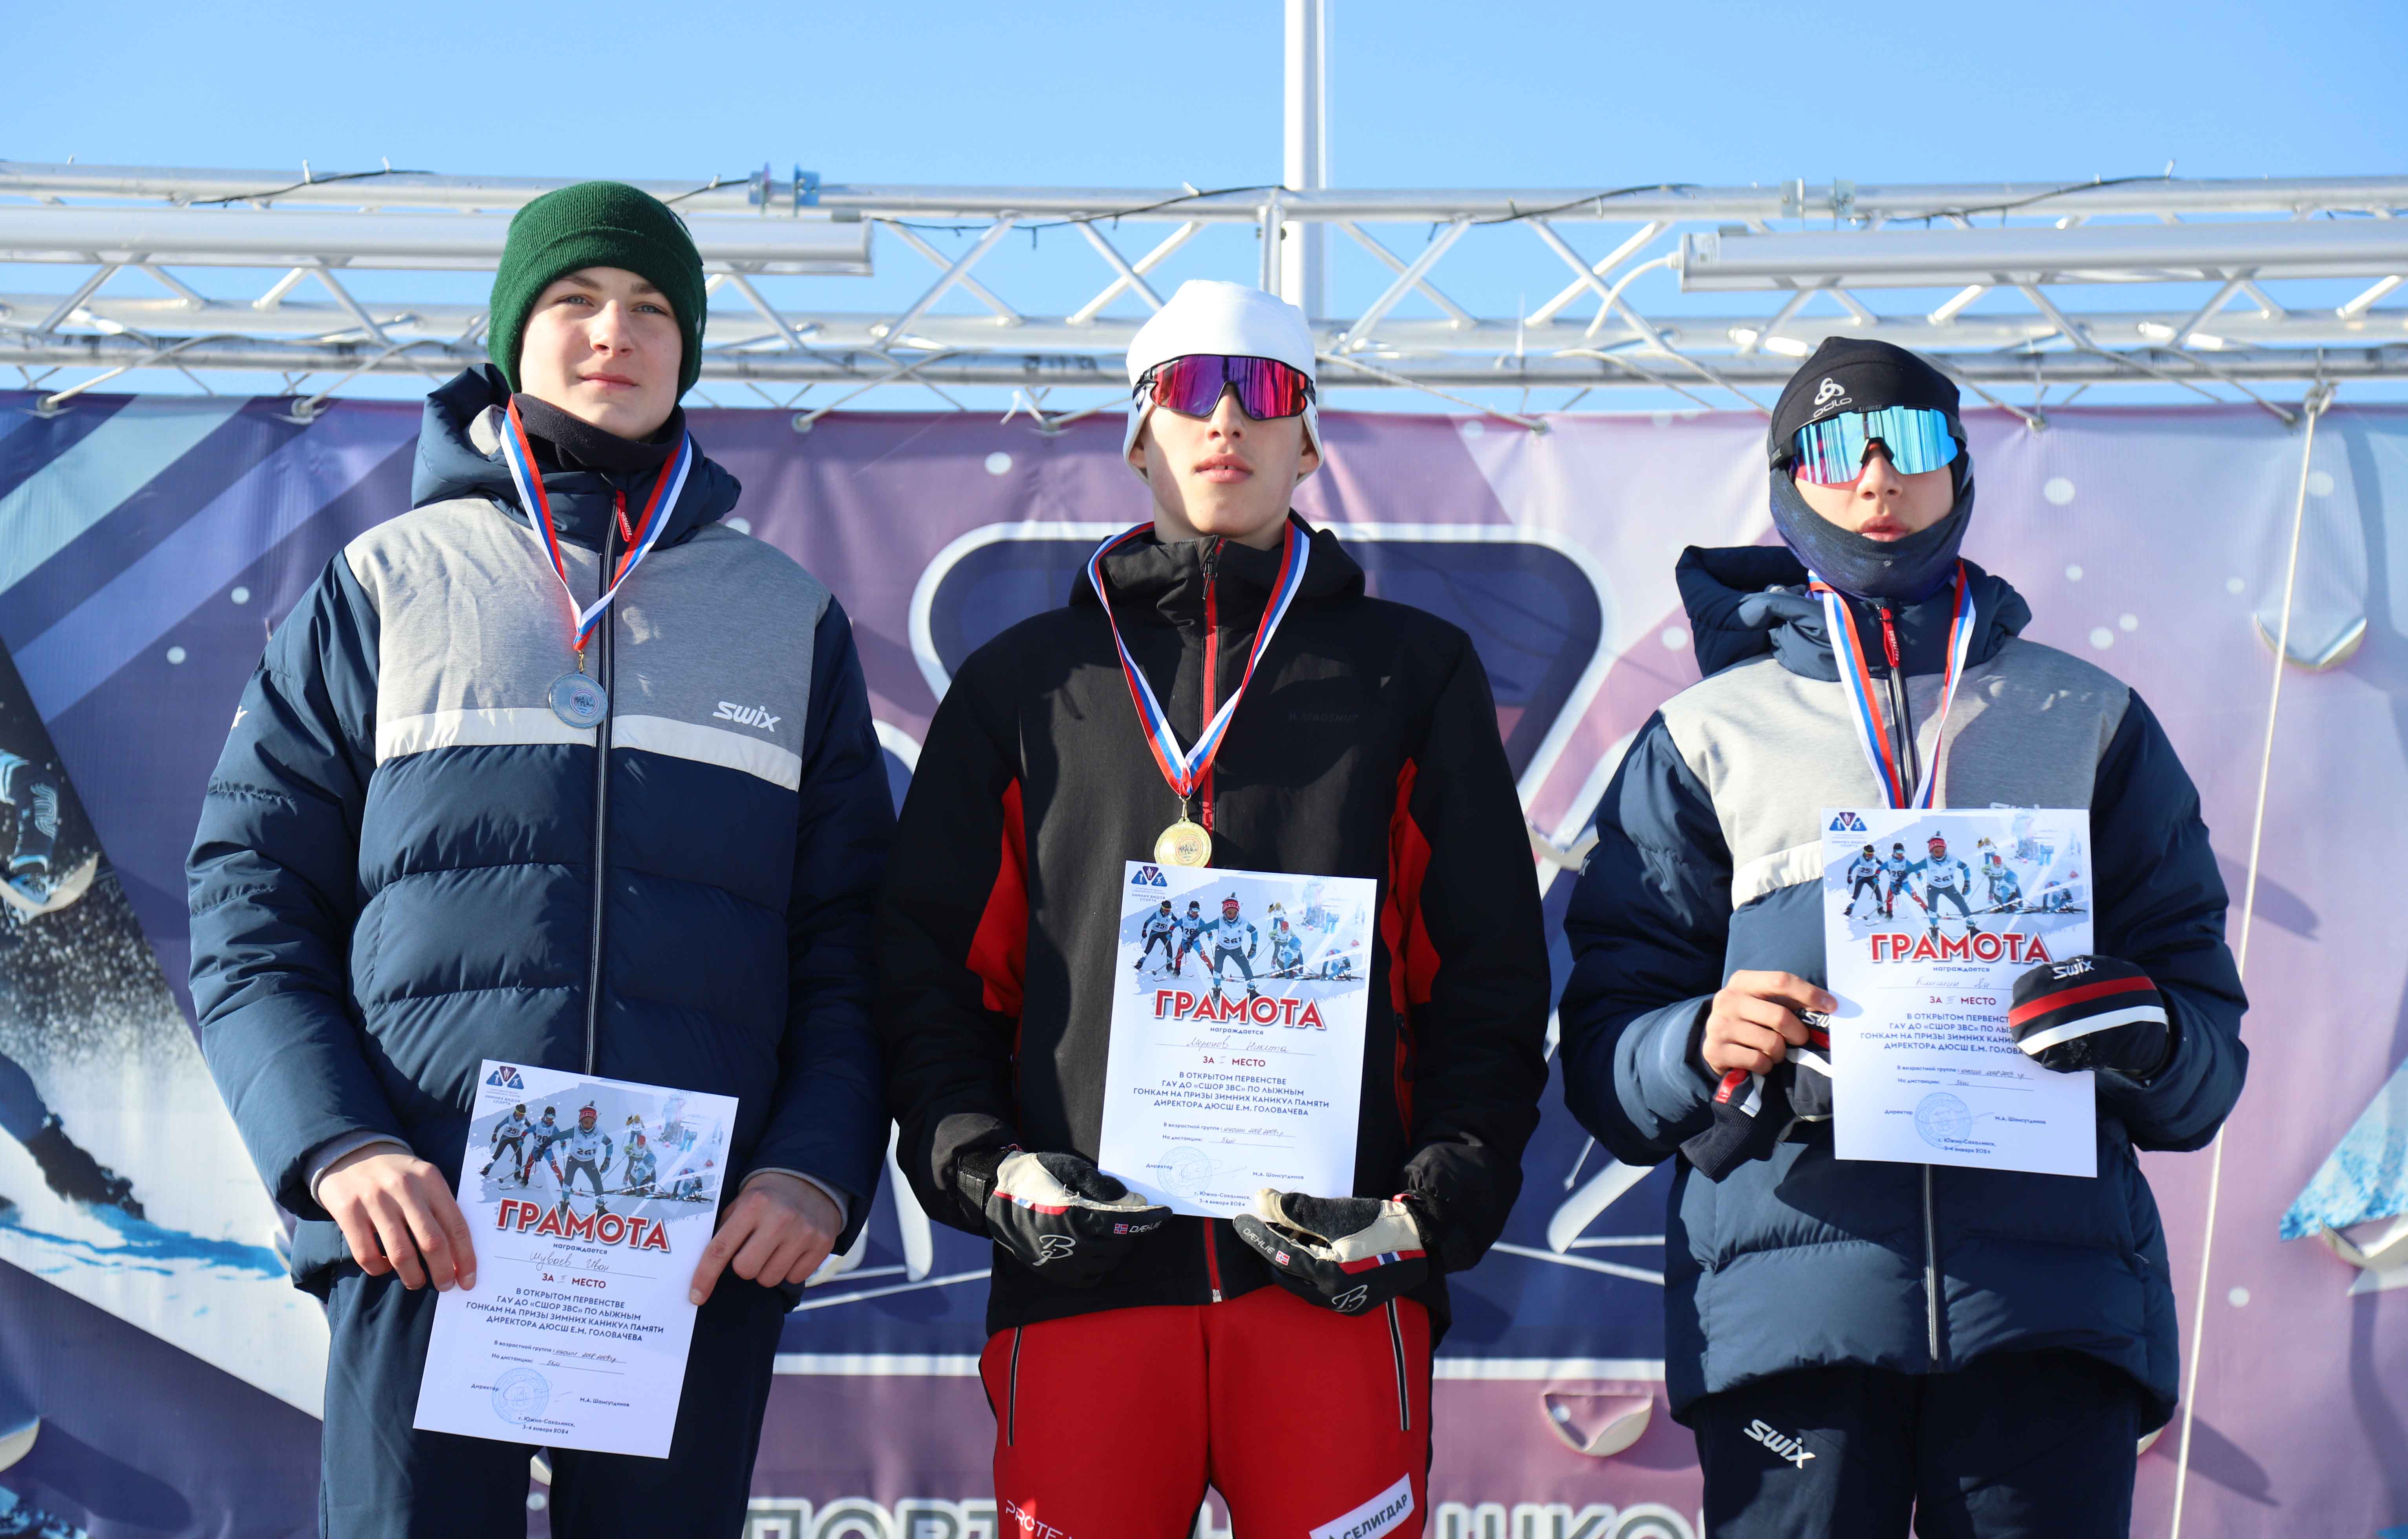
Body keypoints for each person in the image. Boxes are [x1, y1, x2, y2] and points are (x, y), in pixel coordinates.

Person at [186, 181, 891, 1539]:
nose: (610, 333)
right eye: (572, 302)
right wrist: (337, 1145)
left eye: (647, 310)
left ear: (688, 348)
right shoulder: (386, 583)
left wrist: (811, 1168)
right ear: (513, 335)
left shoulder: (786, 615)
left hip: (686, 1248)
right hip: (424, 1223)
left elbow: (853, 938)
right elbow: (250, 900)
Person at [877, 279, 1549, 1539]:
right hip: (1084, 1278)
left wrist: (1421, 1210)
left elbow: (1485, 974)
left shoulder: (1410, 669)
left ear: (1311, 437)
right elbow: (938, 972)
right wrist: (990, 1168)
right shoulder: (1030, 684)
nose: (1227, 419)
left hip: (1335, 1280)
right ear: (1137, 433)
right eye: (1190, 388)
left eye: (1268, 391)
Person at [1557, 337, 2247, 1538]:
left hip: (2046, 1312)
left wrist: (2148, 1030)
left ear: (1959, 469)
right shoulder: (1704, 734)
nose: (1877, 475)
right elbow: (1606, 1051)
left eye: (1911, 441)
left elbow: (2201, 1059)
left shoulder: (2086, 716)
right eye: (1835, 446)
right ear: (1788, 480)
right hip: (1790, 1315)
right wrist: (1692, 1039)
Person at [1917, 833, 1980, 937]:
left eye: (1943, 851)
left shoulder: (1952, 859)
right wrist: (1900, 881)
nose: (1940, 854)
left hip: (1949, 887)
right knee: (1933, 908)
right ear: (1931, 851)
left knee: (1962, 904)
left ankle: (1971, 927)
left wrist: (1967, 883)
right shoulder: (1927, 861)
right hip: (1933, 888)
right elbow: (1910, 869)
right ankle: (1934, 928)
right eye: (1936, 852)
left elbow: (1965, 868)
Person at [1207, 892, 1261, 1002]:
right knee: (1218, 968)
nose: (1232, 916)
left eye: (1235, 913)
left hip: (1236, 949)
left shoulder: (1243, 922)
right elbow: (1202, 928)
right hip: (1221, 948)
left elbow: (1254, 931)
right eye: (1229, 913)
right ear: (1224, 912)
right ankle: (1217, 991)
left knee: (1246, 968)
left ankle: (1252, 992)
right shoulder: (1220, 921)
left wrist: (1254, 947)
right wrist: (1190, 940)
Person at [480, 1104, 531, 1183]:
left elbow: (530, 1128)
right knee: (497, 1155)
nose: (522, 1116)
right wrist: (494, 1136)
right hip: (506, 1138)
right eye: (520, 1114)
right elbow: (498, 1126)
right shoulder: (510, 1117)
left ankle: (517, 1174)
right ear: (516, 1112)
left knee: (519, 1156)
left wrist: (536, 1134)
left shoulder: (524, 1119)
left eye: (523, 1114)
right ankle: (486, 1171)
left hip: (516, 1139)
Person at [1136, 899, 1179, 973]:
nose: (1168, 912)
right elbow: (1147, 922)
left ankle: (1169, 966)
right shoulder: (1157, 914)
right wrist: (1144, 931)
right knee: (1148, 950)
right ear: (1162, 909)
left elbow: (1177, 922)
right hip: (1155, 933)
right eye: (1166, 910)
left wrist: (1183, 928)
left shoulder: (1171, 914)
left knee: (1169, 948)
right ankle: (1139, 965)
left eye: (1169, 910)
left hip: (1164, 933)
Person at [1843, 843, 1884, 919]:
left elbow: (1883, 865)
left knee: (1878, 893)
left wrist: (1886, 871)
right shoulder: (1860, 859)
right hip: (1860, 878)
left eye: (1872, 854)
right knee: (1856, 895)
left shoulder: (1875, 858)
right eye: (1869, 854)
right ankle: (1849, 910)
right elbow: (1851, 868)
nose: (1871, 856)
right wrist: (1849, 877)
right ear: (1865, 853)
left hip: (1871, 878)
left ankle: (1881, 910)